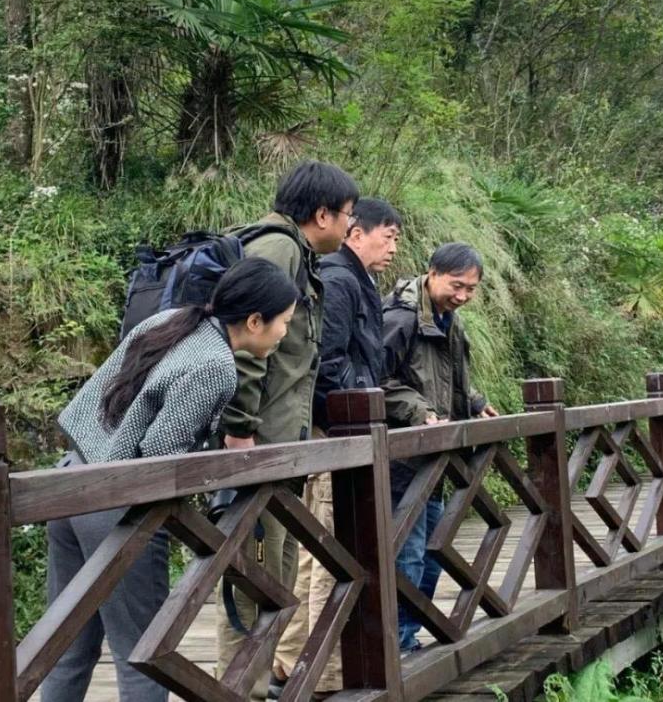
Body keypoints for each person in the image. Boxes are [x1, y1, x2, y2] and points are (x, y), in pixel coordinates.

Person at [43, 258, 299, 702]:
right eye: (284, 322)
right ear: (255, 321)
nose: (285, 333)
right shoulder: (216, 365)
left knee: (67, 648)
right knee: (145, 655)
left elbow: (101, 397)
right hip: (117, 507)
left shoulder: (171, 320)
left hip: (70, 482)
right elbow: (161, 458)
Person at [214, 160, 358, 700]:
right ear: (322, 214)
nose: (350, 226)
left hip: (280, 449)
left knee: (275, 578)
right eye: (347, 215)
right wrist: (240, 434)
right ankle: (241, 692)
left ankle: (254, 687)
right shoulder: (278, 249)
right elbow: (244, 346)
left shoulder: (296, 253)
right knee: (253, 583)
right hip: (260, 448)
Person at [275, 197, 403, 695]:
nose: (393, 247)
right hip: (337, 432)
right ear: (356, 233)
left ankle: (290, 660)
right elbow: (328, 362)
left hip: (334, 432)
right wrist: (361, 404)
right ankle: (328, 672)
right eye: (388, 236)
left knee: (316, 552)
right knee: (333, 550)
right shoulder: (341, 280)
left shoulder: (352, 279)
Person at [381, 242, 499, 654]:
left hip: (435, 462)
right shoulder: (400, 318)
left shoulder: (449, 319)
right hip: (403, 461)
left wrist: (475, 402)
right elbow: (375, 380)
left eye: (471, 289)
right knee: (409, 554)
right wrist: (420, 411)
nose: (463, 296)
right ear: (432, 273)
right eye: (456, 285)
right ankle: (397, 644)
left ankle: (409, 635)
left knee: (434, 552)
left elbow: (450, 377)